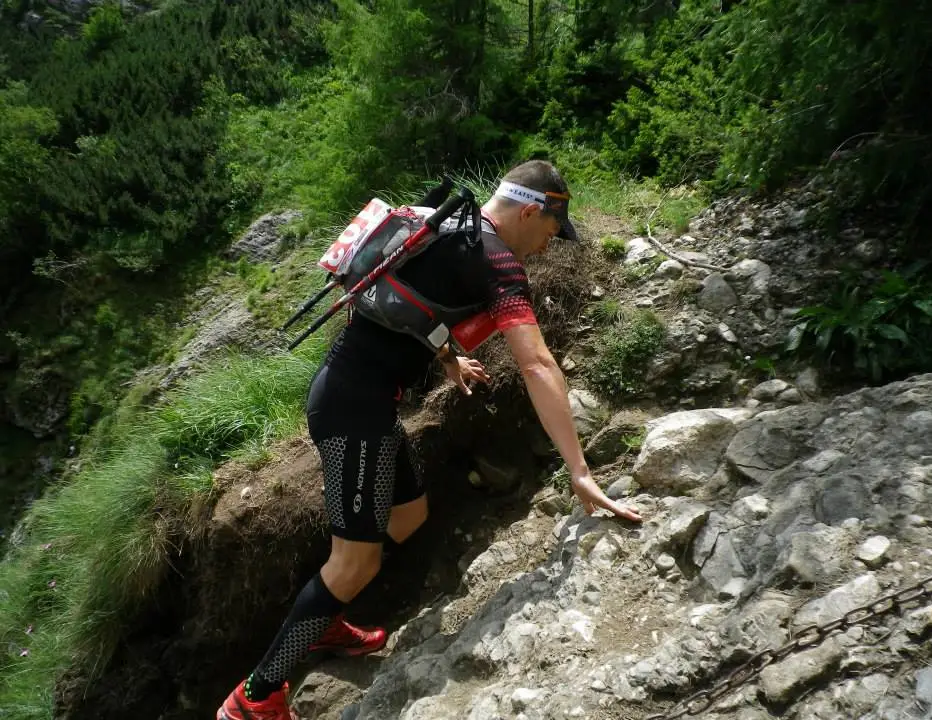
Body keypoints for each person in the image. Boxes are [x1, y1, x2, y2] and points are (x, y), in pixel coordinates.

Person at [216, 160, 643, 720]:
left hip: (356, 398)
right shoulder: (498, 262)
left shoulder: (442, 224)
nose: (549, 244)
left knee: (408, 516)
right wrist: (580, 472)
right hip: (354, 412)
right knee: (354, 562)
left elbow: (407, 303)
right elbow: (537, 364)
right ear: (530, 211)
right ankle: (255, 697)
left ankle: (324, 614)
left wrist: (448, 360)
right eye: (551, 230)